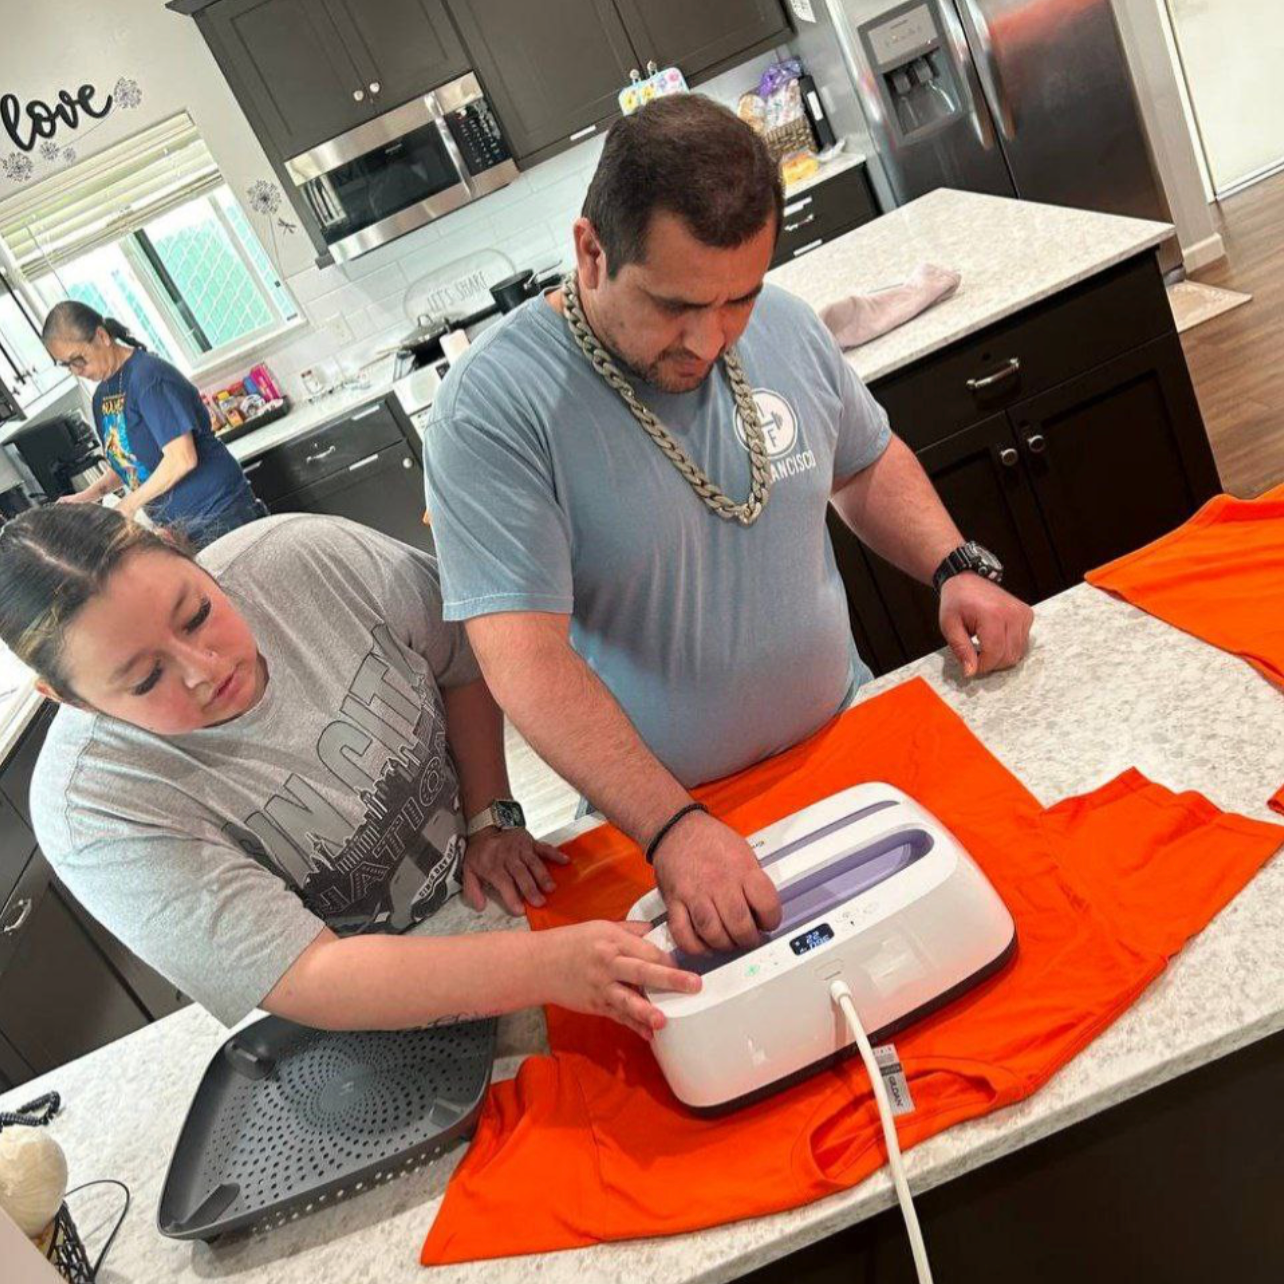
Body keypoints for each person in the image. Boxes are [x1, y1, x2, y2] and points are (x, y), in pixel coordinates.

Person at [423, 95, 1035, 958]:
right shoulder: (491, 412)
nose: (710, 340)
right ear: (591, 251)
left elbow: (862, 460)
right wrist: (672, 825)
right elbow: (523, 656)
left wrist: (954, 565)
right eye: (677, 305)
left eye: (737, 297)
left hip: (855, 745)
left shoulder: (778, 322)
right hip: (675, 826)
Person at [0, 506, 697, 1038]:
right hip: (374, 1014)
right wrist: (549, 969)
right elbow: (308, 975)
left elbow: (462, 658)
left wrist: (490, 816)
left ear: (198, 561)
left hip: (492, 906)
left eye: (199, 614)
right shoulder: (97, 807)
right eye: (148, 678)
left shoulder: (307, 560)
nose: (206, 670)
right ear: (67, 698)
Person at [40, 301, 267, 549]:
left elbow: (182, 458)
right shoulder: (103, 395)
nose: (76, 371)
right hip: (180, 530)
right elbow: (130, 463)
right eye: (67, 365)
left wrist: (128, 505)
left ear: (102, 336)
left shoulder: (148, 378)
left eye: (78, 359)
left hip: (219, 514)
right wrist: (88, 496)